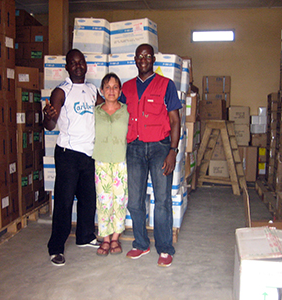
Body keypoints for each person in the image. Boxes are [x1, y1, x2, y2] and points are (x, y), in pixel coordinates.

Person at [119, 44, 182, 267]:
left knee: (162, 200)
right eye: (139, 56)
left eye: (147, 56)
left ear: (153, 59)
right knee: (135, 201)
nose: (143, 59)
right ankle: (141, 244)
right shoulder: (125, 88)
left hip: (159, 148)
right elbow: (115, 115)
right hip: (134, 148)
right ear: (135, 60)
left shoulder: (166, 85)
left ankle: (164, 248)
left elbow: (175, 121)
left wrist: (173, 151)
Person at [43, 49, 104, 266]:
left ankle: (85, 236)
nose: (78, 66)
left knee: (89, 200)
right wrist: (47, 117)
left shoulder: (92, 90)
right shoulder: (61, 91)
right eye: (73, 63)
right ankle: (56, 247)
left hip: (89, 153)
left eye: (81, 62)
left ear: (86, 65)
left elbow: (105, 110)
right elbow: (50, 124)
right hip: (68, 154)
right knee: (64, 201)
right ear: (67, 67)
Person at [93, 73, 129, 256]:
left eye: (115, 87)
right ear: (101, 90)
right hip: (101, 160)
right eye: (107, 87)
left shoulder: (126, 111)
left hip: (121, 161)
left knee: (120, 200)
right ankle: (105, 239)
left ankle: (115, 237)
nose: (111, 91)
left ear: (120, 91)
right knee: (104, 200)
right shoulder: (96, 112)